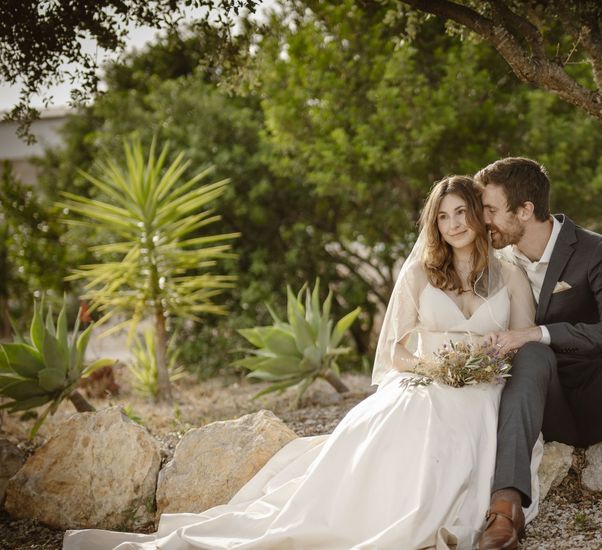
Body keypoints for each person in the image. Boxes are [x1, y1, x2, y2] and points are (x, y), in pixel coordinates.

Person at [62, 176, 541, 550]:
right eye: (443, 217)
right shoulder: (418, 273)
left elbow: (522, 343)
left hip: (483, 387)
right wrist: (434, 371)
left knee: (467, 418)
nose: (454, 224)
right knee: (401, 421)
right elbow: (395, 351)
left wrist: (480, 368)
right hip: (422, 381)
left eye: (462, 213)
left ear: (479, 217)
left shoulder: (511, 276)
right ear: (433, 225)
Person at [475, 158, 602, 550]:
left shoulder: (595, 251)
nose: (484, 221)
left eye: (491, 210)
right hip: (544, 405)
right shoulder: (496, 262)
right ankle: (506, 508)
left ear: (525, 209)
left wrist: (540, 332)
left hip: (600, 401)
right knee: (531, 356)